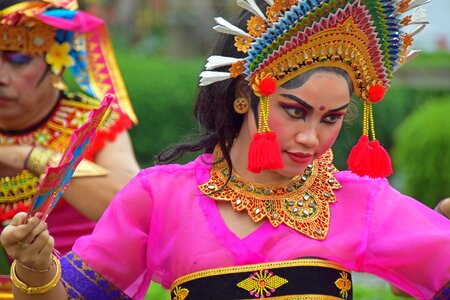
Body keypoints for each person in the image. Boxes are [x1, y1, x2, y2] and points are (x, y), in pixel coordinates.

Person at [1, 0, 450, 299]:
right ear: (243, 96)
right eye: (295, 112)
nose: (313, 138)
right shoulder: (160, 197)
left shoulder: (360, 201)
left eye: (330, 118)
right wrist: (38, 269)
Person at [0, 0, 140, 293]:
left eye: (17, 60)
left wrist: (28, 156)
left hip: (71, 289)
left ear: (56, 62)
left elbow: (130, 206)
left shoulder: (92, 123)